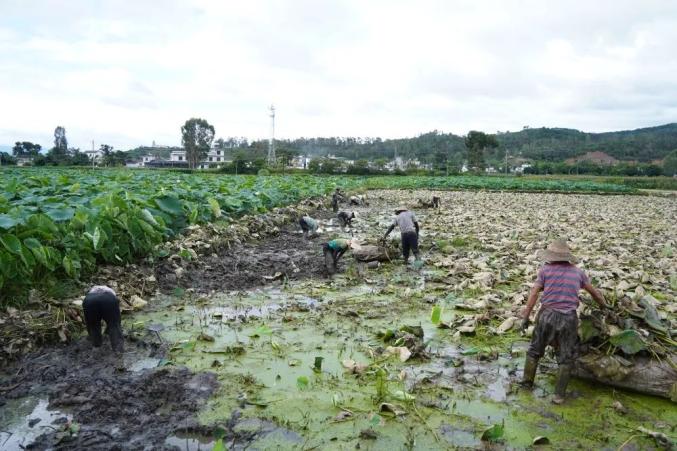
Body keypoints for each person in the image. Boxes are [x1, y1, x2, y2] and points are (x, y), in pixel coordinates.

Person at [520, 239, 608, 404]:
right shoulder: (578, 273)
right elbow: (594, 293)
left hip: (547, 315)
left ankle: (526, 384)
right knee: (566, 357)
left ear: (551, 256)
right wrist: (604, 306)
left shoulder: (545, 270)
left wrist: (526, 316)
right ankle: (559, 396)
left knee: (534, 351)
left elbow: (533, 294)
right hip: (568, 318)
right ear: (568, 257)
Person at [82, 285, 124, 354]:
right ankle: (118, 349)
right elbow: (115, 320)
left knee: (93, 325)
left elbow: (88, 322)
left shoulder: (90, 292)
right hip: (108, 300)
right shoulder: (111, 292)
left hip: (89, 301)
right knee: (114, 324)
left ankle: (96, 346)